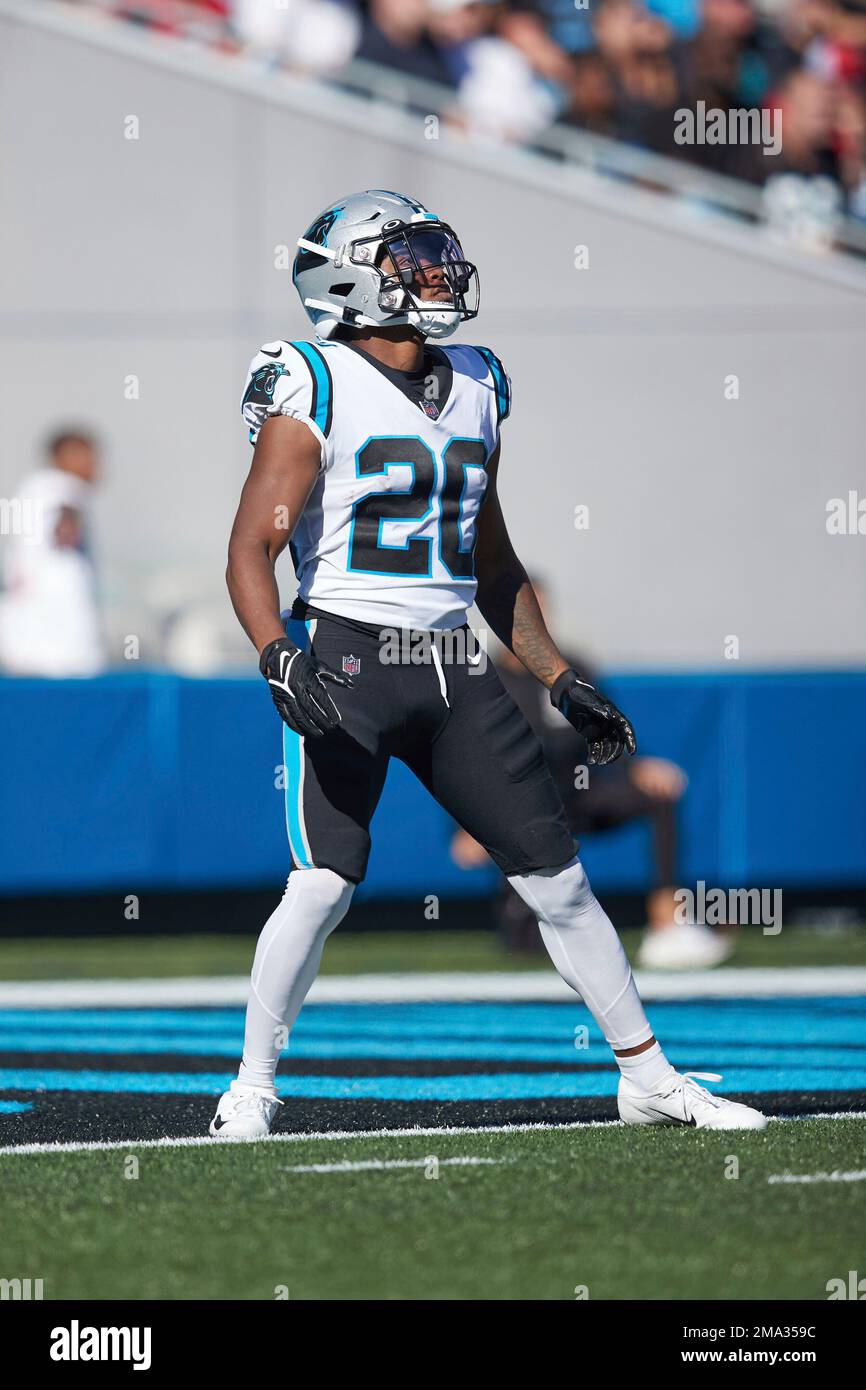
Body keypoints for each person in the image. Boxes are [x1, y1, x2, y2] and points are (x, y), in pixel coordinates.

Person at [211, 189, 766, 1138]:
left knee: (560, 880)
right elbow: (249, 548)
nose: (433, 273)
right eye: (411, 257)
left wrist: (554, 674)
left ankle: (646, 1074)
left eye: (435, 255)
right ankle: (251, 1089)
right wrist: (278, 654)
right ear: (350, 274)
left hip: (455, 665)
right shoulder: (313, 381)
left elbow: (491, 559)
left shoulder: (476, 378)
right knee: (326, 881)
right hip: (349, 657)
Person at [451, 577, 734, 969]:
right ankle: (522, 916)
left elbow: (603, 732)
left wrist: (639, 766)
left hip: (580, 796)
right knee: (530, 946)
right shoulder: (483, 677)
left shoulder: (571, 669)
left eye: (536, 610)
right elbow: (463, 757)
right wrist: (467, 824)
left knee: (660, 794)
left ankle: (667, 916)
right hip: (520, 812)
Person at [0, 429, 106, 676]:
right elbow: (64, 523)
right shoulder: (62, 488)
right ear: (62, 457)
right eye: (86, 456)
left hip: (28, 641)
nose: (94, 465)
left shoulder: (33, 489)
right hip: (55, 648)